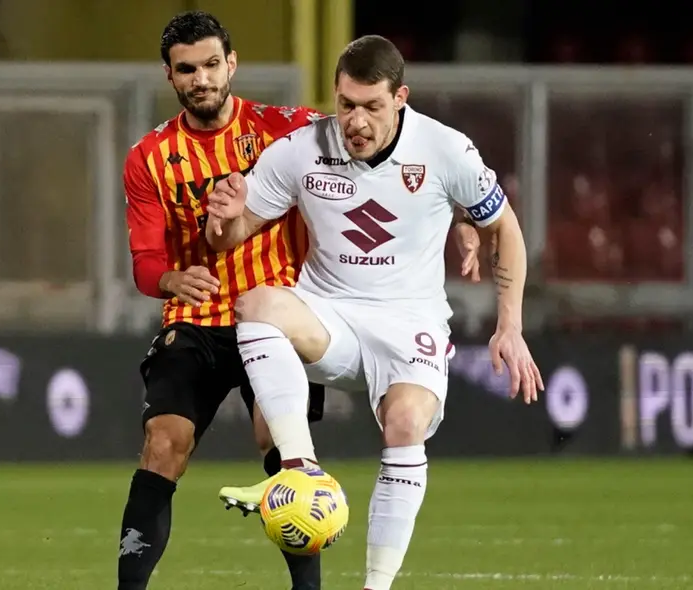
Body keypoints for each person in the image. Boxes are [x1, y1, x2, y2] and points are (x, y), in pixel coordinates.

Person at [118, 11, 482, 590]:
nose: (201, 79)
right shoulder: (148, 158)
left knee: (279, 443)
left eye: (212, 64)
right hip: (198, 319)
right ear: (171, 76)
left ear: (231, 65)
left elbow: (396, 150)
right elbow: (144, 263)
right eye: (187, 70)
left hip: (282, 312)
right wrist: (169, 281)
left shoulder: (288, 129)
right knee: (164, 442)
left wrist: (463, 217)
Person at [205, 35, 543, 590]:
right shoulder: (301, 149)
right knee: (257, 303)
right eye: (345, 104)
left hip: (410, 322)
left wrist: (510, 325)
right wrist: (225, 220)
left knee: (406, 425)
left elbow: (502, 227)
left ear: (401, 98)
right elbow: (233, 235)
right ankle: (300, 470)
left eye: (371, 106)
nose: (355, 121)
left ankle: (376, 587)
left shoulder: (445, 150)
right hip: (328, 313)